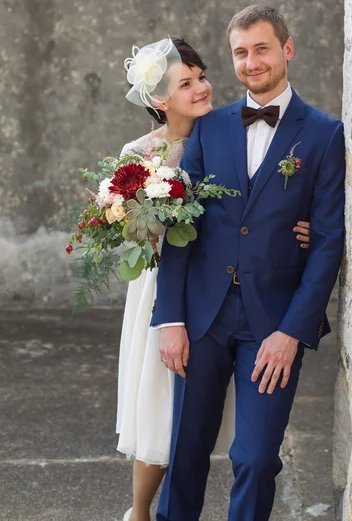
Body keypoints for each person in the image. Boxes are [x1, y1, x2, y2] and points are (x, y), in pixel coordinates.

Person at [151, 5, 345, 521]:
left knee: (256, 458)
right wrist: (171, 317)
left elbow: (327, 240)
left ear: (287, 49)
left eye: (261, 48)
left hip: (273, 322)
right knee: (186, 450)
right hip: (202, 317)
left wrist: (293, 331)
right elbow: (180, 227)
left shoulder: (325, 134)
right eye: (241, 52)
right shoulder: (208, 129)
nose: (251, 61)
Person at [116, 36, 311, 521]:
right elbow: (129, 227)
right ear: (161, 99)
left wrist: (299, 229)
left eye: (201, 75)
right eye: (187, 83)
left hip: (229, 286)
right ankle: (140, 512)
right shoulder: (141, 154)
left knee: (215, 431)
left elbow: (259, 206)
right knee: (159, 408)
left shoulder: (225, 126)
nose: (201, 87)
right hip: (166, 287)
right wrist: (155, 220)